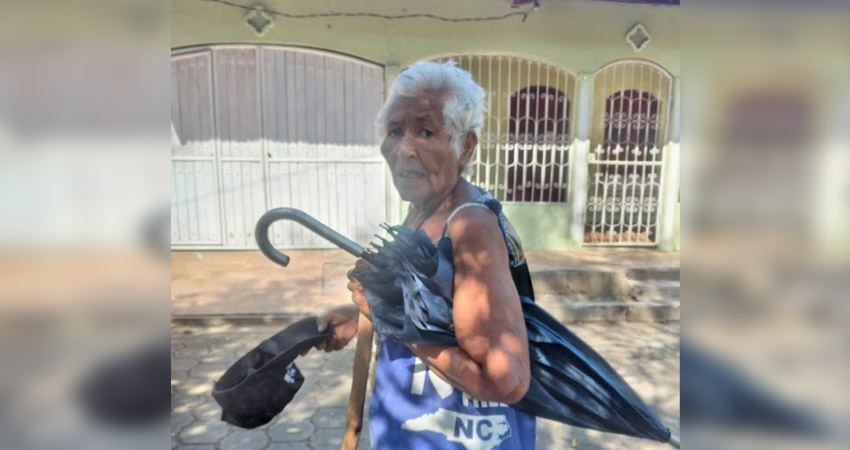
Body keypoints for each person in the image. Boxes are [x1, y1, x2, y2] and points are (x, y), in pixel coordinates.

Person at [305, 61, 535, 449]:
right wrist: (358, 317)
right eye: (395, 131)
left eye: (425, 131)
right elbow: (433, 310)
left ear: (466, 145)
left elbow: (505, 380)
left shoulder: (469, 226)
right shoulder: (423, 209)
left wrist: (389, 316)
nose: (404, 149)